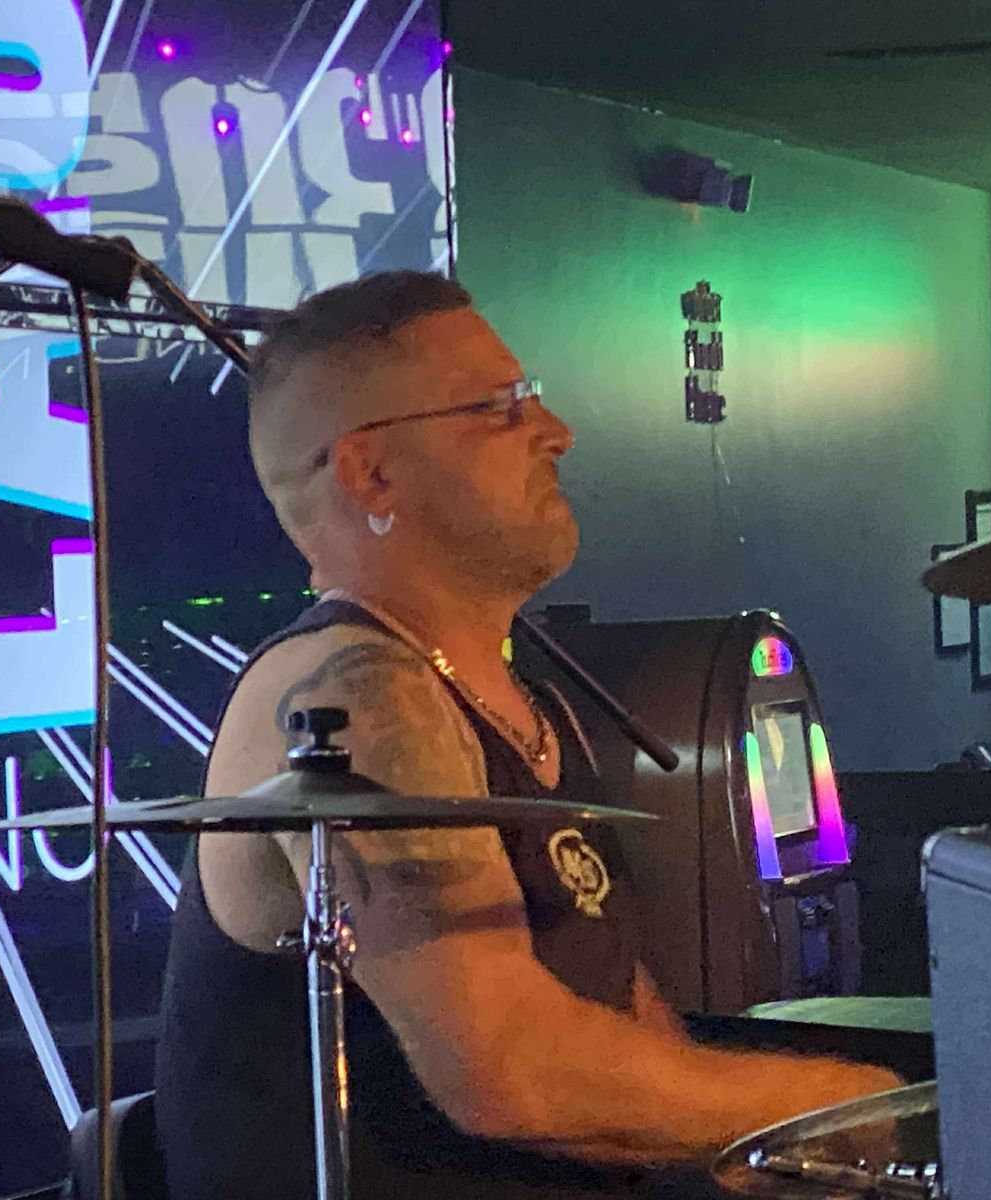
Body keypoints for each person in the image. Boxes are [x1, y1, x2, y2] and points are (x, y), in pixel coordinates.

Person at [154, 270, 900, 1199]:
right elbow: (508, 1073)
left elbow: (619, 1025)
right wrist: (844, 1105)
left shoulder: (521, 701)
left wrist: (770, 1157)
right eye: (499, 409)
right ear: (371, 471)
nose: (556, 432)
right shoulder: (359, 694)